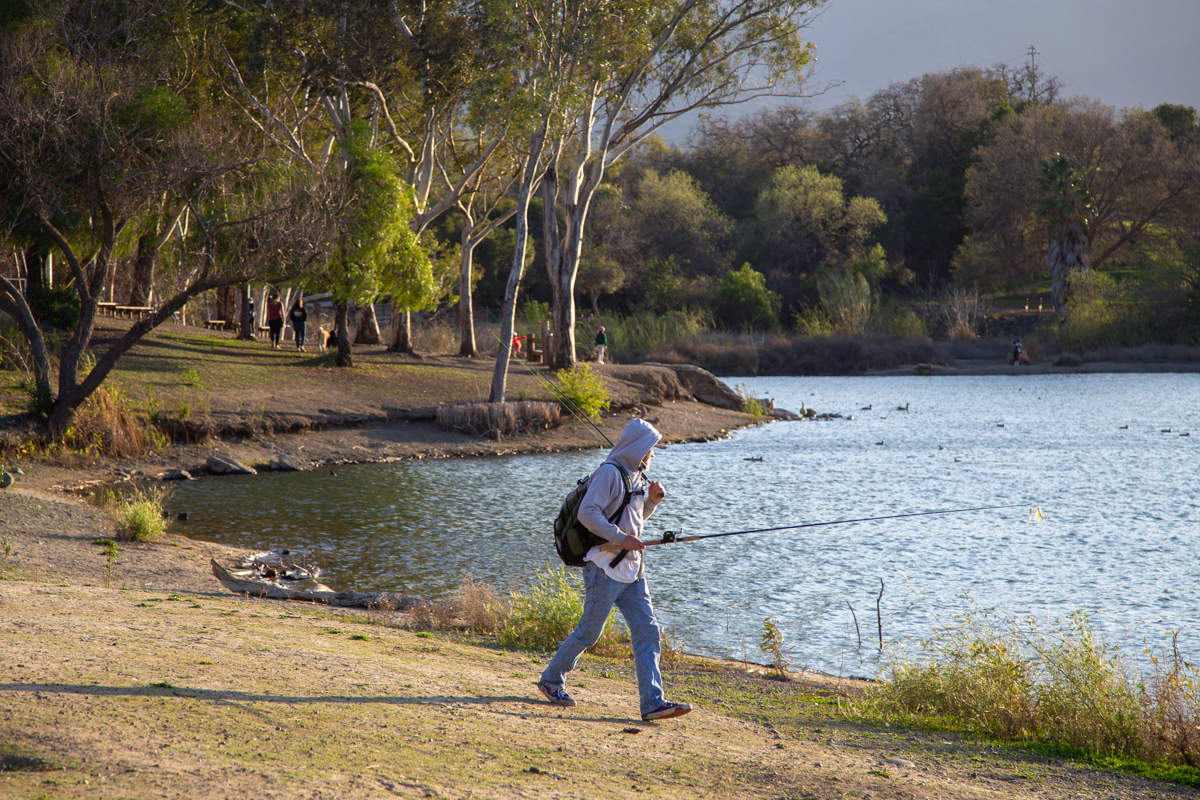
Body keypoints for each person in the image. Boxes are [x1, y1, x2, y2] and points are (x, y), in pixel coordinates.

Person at [537, 418, 691, 722]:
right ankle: (551, 680)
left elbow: (631, 522)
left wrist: (652, 503)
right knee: (589, 633)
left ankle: (652, 703)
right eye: (650, 448)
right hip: (603, 569)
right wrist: (621, 539)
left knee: (647, 632)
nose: (653, 454)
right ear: (637, 447)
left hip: (632, 573)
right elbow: (587, 514)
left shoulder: (637, 477)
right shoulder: (609, 472)